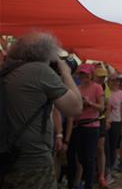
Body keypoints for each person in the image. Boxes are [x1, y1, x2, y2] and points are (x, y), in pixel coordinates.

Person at [0, 32, 82, 189]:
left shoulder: (7, 71)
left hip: (7, 158)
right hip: (32, 162)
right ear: (47, 52)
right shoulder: (39, 71)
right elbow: (75, 107)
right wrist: (65, 72)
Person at [67, 63, 105, 189]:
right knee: (80, 157)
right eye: (81, 74)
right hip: (78, 125)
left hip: (92, 125)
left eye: (86, 74)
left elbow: (102, 108)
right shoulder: (77, 88)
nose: (83, 76)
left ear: (91, 74)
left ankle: (89, 185)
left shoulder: (97, 87)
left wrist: (90, 104)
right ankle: (80, 182)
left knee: (88, 158)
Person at [106, 75, 122, 175]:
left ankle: (112, 166)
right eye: (113, 80)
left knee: (113, 145)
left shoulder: (121, 93)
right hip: (106, 121)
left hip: (116, 121)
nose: (115, 82)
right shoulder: (105, 91)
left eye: (117, 80)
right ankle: (107, 167)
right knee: (106, 146)